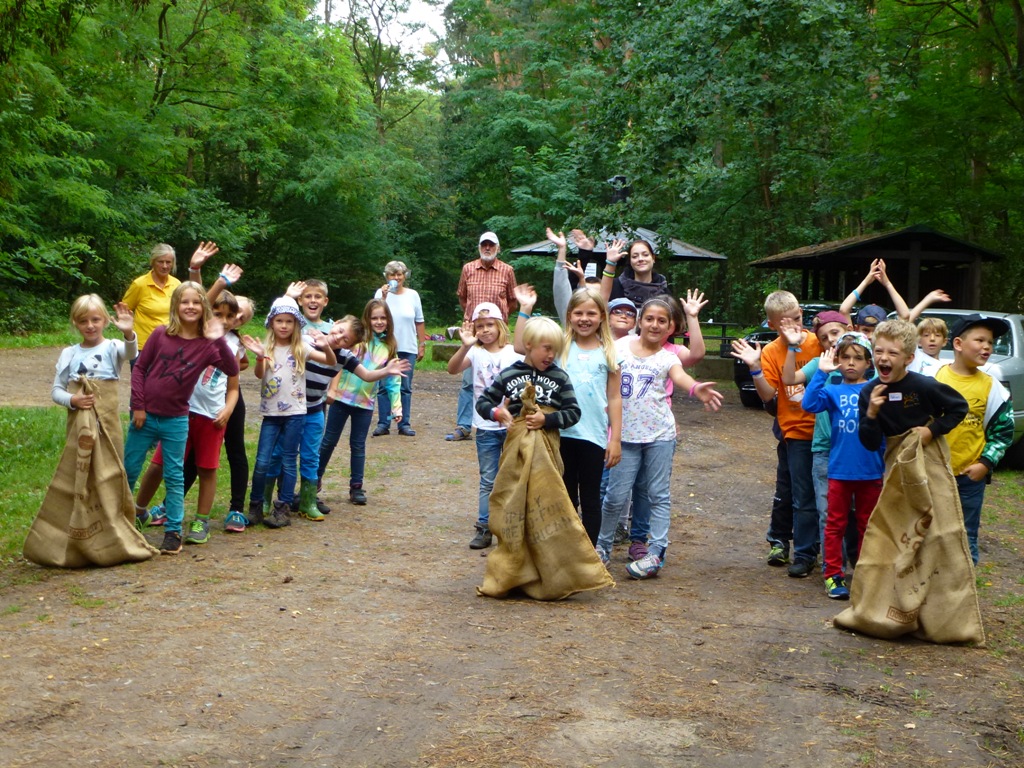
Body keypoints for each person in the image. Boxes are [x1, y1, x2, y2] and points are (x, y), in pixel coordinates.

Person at [595, 297, 723, 579]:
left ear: (670, 328)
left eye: (662, 321)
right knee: (615, 496)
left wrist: (696, 388)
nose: (655, 325)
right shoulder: (619, 347)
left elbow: (680, 376)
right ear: (639, 322)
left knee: (658, 494)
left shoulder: (668, 357)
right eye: (650, 319)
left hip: (660, 436)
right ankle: (601, 548)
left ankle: (656, 552)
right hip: (624, 436)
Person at [126, 282, 239, 554]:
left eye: (196, 302)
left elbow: (231, 368)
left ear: (204, 307)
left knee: (174, 475)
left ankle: (173, 531)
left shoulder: (207, 345)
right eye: (185, 301)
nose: (190, 306)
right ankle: (122, 520)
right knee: (128, 470)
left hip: (176, 419)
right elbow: (139, 369)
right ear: (175, 305)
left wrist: (217, 338)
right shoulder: (160, 333)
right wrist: (138, 406)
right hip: (145, 416)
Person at [514, 284, 622, 545]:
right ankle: (567, 551)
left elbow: (614, 397)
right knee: (564, 496)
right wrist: (525, 309)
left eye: (591, 313)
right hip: (558, 433)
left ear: (602, 317)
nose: (584, 319)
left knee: (591, 498)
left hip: (593, 436)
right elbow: (520, 347)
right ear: (569, 315)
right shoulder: (560, 347)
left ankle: (589, 554)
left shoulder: (609, 352)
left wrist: (616, 439)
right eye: (578, 313)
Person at [731, 291, 822, 576]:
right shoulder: (771, 352)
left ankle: (820, 548)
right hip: (795, 432)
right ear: (772, 325)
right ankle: (801, 552)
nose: (794, 326)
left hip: (827, 431)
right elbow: (768, 394)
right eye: (785, 323)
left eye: (797, 318)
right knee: (799, 494)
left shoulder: (819, 342)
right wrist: (756, 368)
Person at [240, 296, 338, 529]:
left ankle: (282, 508)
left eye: (289, 321)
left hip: (295, 414)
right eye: (279, 321)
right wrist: (260, 357)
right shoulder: (267, 347)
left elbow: (330, 361)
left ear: (296, 324)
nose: (284, 326)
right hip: (271, 414)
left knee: (288, 461)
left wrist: (325, 345)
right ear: (271, 323)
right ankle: (256, 506)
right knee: (262, 461)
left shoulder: (301, 347)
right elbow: (259, 374)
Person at [801, 334, 885, 599]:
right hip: (839, 470)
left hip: (871, 470)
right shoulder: (833, 390)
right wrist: (821, 373)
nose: (850, 363)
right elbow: (809, 403)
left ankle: (865, 574)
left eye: (857, 358)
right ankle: (833, 575)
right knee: (834, 524)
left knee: (868, 525)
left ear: (868, 363)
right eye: (845, 357)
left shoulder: (876, 390)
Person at [934, 314, 1015, 565]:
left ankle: (964, 580)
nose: (987, 347)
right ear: (958, 344)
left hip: (968, 477)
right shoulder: (934, 378)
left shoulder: (993, 387)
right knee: (930, 529)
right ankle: (931, 579)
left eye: (990, 342)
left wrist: (985, 463)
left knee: (965, 532)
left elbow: (1003, 432)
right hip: (933, 473)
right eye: (980, 340)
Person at [446, 302, 522, 549]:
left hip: (512, 425)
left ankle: (511, 525)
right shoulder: (475, 352)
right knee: (488, 479)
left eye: (490, 325)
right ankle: (484, 526)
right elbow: (452, 369)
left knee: (513, 477)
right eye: (480, 326)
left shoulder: (513, 352)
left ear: (500, 325)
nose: (485, 330)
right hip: (486, 426)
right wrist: (465, 345)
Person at [318, 300, 405, 507]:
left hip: (365, 404)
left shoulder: (389, 347)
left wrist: (396, 405)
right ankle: (313, 480)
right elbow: (339, 365)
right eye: (374, 318)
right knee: (329, 441)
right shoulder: (357, 342)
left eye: (383, 318)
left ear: (389, 320)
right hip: (341, 399)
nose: (379, 322)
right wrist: (333, 389)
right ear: (367, 319)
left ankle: (356, 487)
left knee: (358, 445)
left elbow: (393, 380)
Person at [448, 231, 518, 442]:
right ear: (479, 247)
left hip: (499, 333)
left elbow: (512, 301)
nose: (487, 248)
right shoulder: (468, 269)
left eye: (491, 245)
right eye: (484, 245)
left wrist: (498, 321)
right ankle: (464, 424)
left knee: (501, 376)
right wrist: (474, 320)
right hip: (473, 332)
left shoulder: (507, 270)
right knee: (469, 380)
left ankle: (504, 419)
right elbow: (462, 297)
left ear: (498, 248)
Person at [51, 295, 138, 444]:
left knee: (109, 456)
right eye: (83, 321)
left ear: (105, 320)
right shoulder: (69, 353)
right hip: (79, 424)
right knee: (80, 455)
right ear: (75, 323)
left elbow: (131, 354)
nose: (90, 325)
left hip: (108, 424)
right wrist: (73, 399)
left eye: (95, 320)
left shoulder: (113, 347)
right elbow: (56, 391)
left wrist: (128, 333)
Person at [121, 242, 216, 351]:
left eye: (168, 262)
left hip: (170, 344)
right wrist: (129, 331)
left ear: (173, 264)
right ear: (153, 262)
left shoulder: (177, 284)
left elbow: (197, 296)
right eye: (161, 262)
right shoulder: (139, 284)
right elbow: (124, 311)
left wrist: (195, 268)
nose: (165, 266)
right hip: (143, 346)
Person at [374, 261, 426, 437]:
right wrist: (383, 297)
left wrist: (422, 344)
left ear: (405, 276)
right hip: (385, 346)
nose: (396, 278)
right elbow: (375, 316)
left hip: (407, 346)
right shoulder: (380, 294)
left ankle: (404, 424)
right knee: (384, 386)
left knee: (405, 386)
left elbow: (419, 321)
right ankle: (383, 423)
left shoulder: (413, 295)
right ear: (386, 276)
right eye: (392, 274)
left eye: (399, 274)